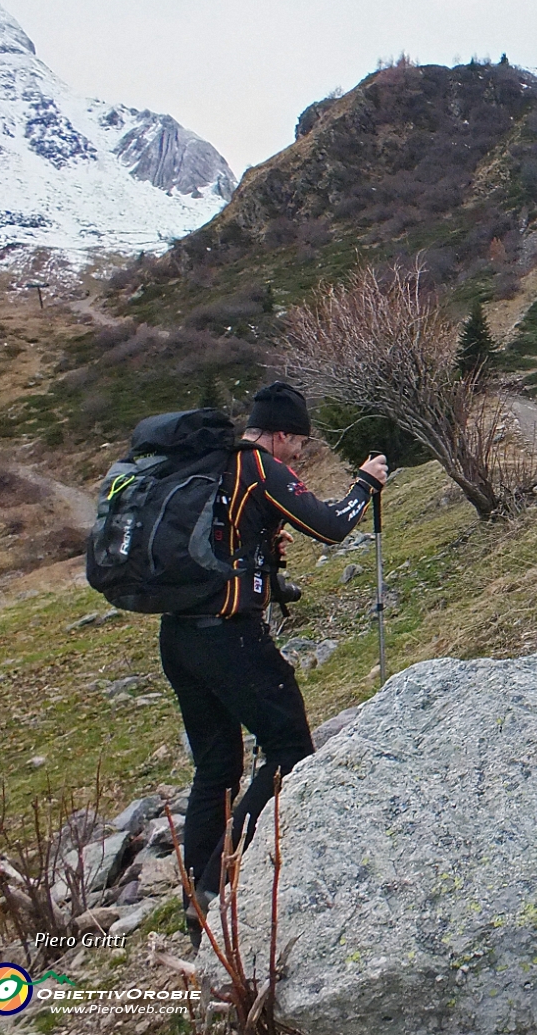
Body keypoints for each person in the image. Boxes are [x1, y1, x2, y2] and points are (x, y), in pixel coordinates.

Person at [159, 381, 387, 944]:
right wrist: (365, 485)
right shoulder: (258, 467)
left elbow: (226, 541)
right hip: (229, 639)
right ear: (281, 434)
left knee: (216, 768)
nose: (301, 454)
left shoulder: (211, 464)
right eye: (300, 442)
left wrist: (262, 560)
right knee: (288, 751)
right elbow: (331, 526)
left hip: (178, 636)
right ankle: (218, 884)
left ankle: (196, 900)